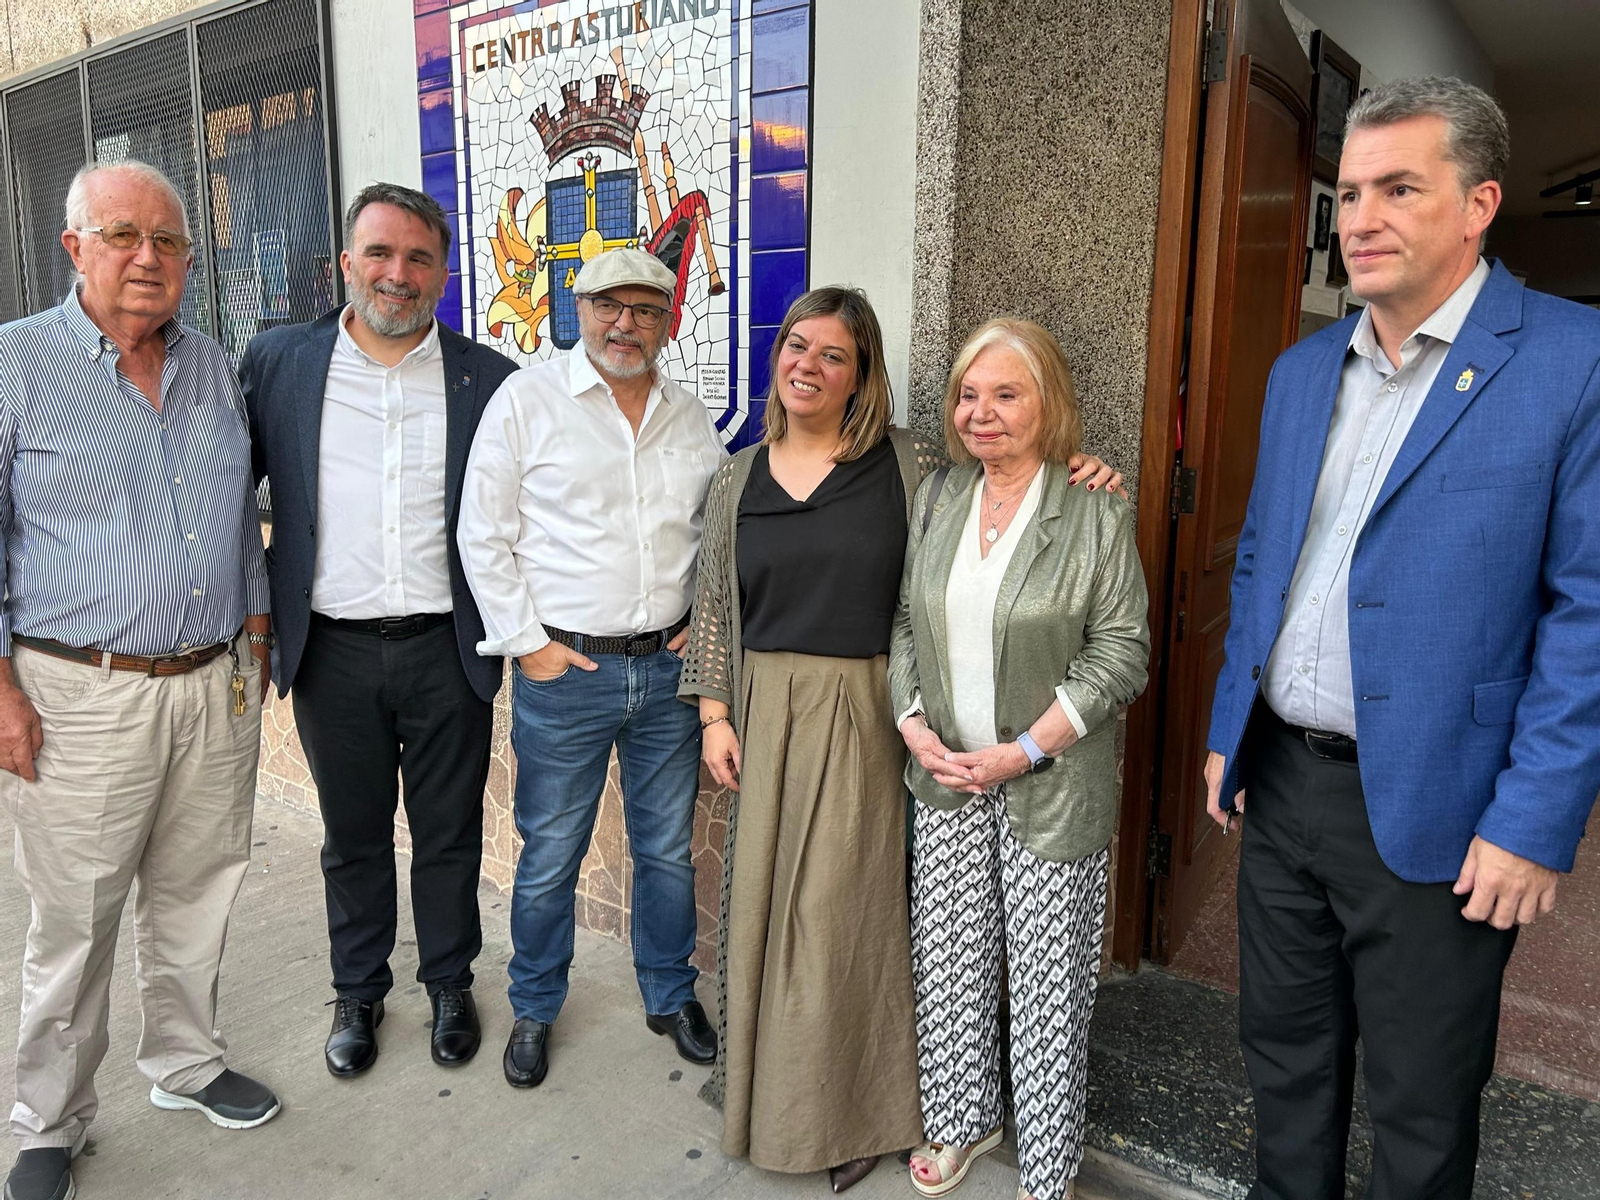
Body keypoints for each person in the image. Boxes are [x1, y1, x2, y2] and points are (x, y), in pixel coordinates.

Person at [1205, 77, 1600, 1200]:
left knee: (1422, 1102)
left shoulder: (1572, 360)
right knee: (1283, 1065)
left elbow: (1588, 615)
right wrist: (1231, 726)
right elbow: (1261, 558)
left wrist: (1532, 822)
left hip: (1445, 803)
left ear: (1478, 204)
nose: (1360, 218)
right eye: (1347, 193)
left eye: (1398, 189)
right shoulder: (1300, 370)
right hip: (1283, 784)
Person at [680, 288, 1125, 1194]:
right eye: (795, 345)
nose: (807, 365)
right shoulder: (738, 478)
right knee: (767, 911)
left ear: (863, 375)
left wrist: (1081, 470)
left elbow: (1011, 499)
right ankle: (775, 1098)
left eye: (833, 354)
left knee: (846, 921)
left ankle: (855, 1111)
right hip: (781, 714)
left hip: (866, 711)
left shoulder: (912, 464)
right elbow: (717, 604)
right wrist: (715, 713)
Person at [0, 161, 279, 1200]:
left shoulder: (210, 364)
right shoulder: (15, 364)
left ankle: (186, 1063)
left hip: (214, 681)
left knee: (199, 888)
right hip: (80, 693)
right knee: (77, 919)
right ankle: (49, 1122)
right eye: (123, 235)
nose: (148, 258)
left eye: (168, 241)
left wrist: (255, 632)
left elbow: (233, 510)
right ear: (75, 247)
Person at [240, 183, 519, 1079]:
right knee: (352, 835)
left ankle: (449, 984)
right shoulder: (279, 363)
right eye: (380, 253)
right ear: (347, 262)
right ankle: (358, 991)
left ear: (443, 274)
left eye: (418, 258)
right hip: (332, 649)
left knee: (449, 834)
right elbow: (228, 492)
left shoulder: (488, 380)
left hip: (447, 647)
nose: (398, 274)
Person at [890, 318, 1149, 1200]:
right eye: (968, 394)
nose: (981, 413)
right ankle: (963, 1120)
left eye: (1006, 394)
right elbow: (905, 620)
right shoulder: (939, 497)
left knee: (1047, 987)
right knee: (950, 965)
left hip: (1052, 783)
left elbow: (1122, 653)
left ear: (1050, 404)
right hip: (946, 778)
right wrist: (912, 721)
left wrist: (1026, 750)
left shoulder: (1095, 509)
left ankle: (1048, 1170)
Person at [458, 246, 723, 1089]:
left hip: (669, 677)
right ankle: (535, 1005)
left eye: (646, 309)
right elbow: (481, 532)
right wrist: (527, 644)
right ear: (579, 310)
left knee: (667, 851)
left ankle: (670, 994)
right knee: (550, 853)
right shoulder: (527, 401)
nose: (625, 324)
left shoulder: (690, 416)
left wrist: (703, 622)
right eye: (609, 305)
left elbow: (716, 535)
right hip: (567, 674)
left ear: (668, 322)